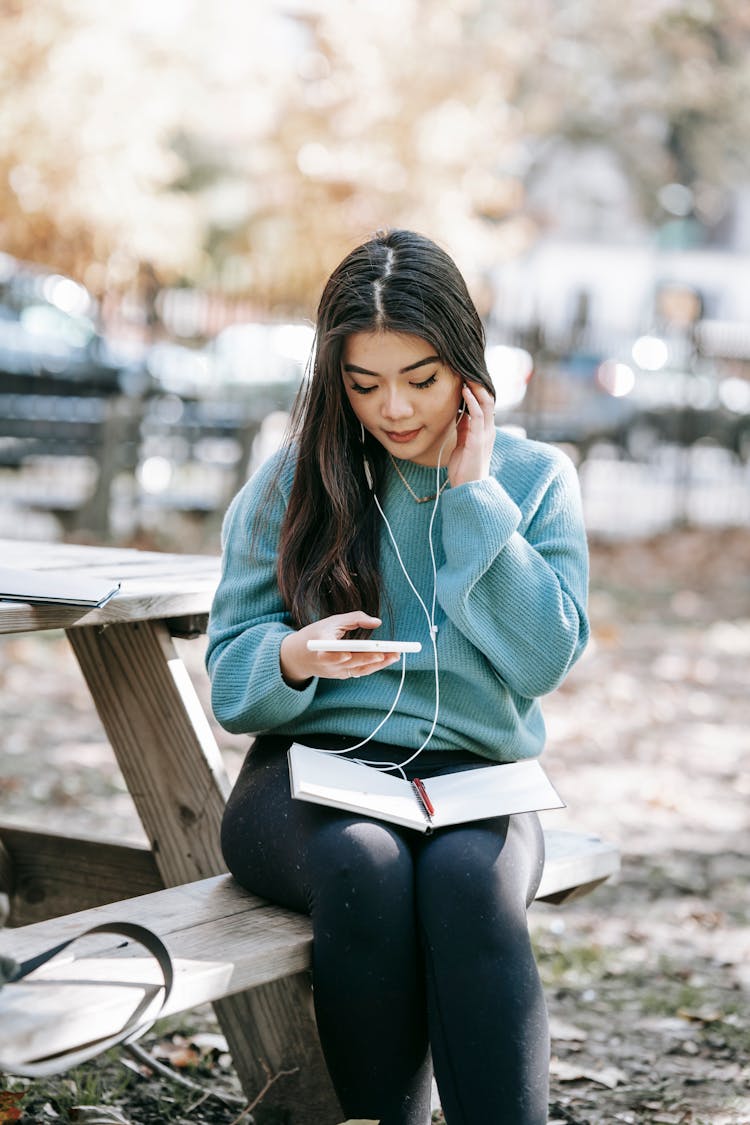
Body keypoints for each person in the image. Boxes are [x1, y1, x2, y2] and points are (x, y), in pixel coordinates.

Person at [206, 228, 590, 1125]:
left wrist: (473, 500)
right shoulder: (293, 481)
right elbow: (231, 679)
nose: (396, 410)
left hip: (473, 778)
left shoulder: (534, 481)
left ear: (467, 363)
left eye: (420, 378)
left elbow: (543, 662)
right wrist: (297, 656)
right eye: (363, 383)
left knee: (469, 880)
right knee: (363, 862)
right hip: (310, 778)